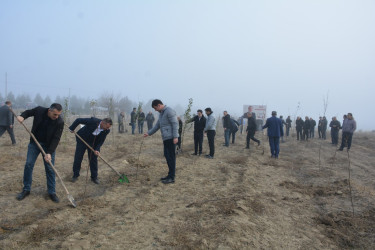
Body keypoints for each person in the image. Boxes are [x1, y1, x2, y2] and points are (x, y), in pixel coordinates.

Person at [16, 103, 64, 203]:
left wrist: (49, 152)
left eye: (58, 114)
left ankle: (52, 192)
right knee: (29, 164)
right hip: (34, 143)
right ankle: (26, 189)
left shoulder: (59, 121)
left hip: (48, 146)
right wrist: (22, 116)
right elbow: (29, 112)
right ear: (49, 111)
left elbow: (56, 138)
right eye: (55, 114)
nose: (57, 116)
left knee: (50, 168)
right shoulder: (39, 110)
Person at [144, 99, 178, 184]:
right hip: (166, 138)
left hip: (171, 138)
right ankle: (169, 175)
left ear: (159, 105)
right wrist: (148, 133)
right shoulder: (161, 114)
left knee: (171, 157)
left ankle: (171, 177)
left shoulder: (169, 111)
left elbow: (175, 124)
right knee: (167, 156)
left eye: (155, 108)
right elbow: (157, 126)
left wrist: (175, 136)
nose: (155, 110)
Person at [69, 117, 112, 184]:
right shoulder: (93, 121)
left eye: (108, 127)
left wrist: (97, 150)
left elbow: (101, 141)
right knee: (78, 157)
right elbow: (78, 120)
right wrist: (72, 128)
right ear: (103, 123)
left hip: (93, 143)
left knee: (93, 159)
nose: (107, 129)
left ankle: (94, 177)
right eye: (107, 127)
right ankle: (75, 175)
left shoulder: (106, 130)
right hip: (82, 139)